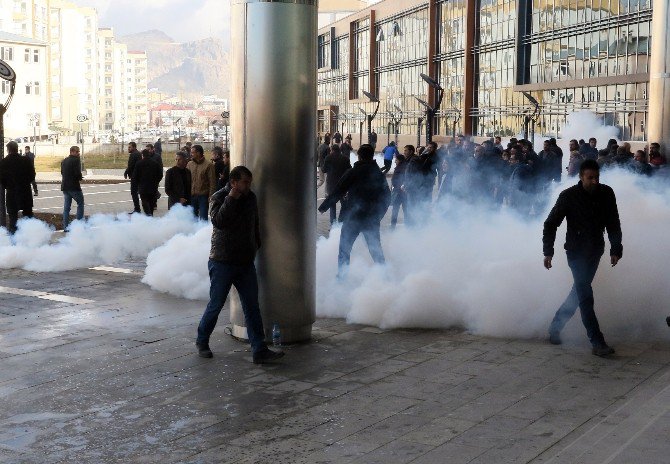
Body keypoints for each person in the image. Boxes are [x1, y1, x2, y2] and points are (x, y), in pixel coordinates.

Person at [196, 166, 284, 364]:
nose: (248, 186)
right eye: (244, 182)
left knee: (252, 306)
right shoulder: (219, 197)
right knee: (216, 304)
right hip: (222, 261)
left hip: (244, 262)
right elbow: (219, 221)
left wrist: (256, 245)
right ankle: (202, 341)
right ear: (233, 182)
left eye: (249, 182)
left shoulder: (251, 198)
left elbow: (254, 224)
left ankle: (259, 349)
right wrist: (232, 198)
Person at [543, 159, 622, 357]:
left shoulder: (606, 193)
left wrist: (616, 248)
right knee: (585, 295)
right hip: (575, 252)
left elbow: (613, 222)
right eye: (590, 178)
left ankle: (555, 326)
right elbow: (550, 223)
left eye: (597, 177)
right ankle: (597, 342)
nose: (595, 181)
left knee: (578, 292)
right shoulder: (568, 196)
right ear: (581, 177)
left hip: (595, 250)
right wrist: (548, 251)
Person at [318, 144, 390, 277]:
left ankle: (342, 279)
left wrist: (324, 207)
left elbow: (339, 190)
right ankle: (385, 276)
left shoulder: (354, 171)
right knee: (376, 250)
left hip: (353, 218)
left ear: (359, 156)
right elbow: (387, 197)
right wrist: (378, 215)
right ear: (372, 155)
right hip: (371, 219)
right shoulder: (378, 174)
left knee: (344, 250)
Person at [0, 141, 35, 233]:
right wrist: (25, 182)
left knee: (13, 218)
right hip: (25, 191)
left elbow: (2, 179)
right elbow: (32, 175)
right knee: (28, 216)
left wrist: (7, 186)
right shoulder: (26, 160)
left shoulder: (4, 162)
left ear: (8, 150)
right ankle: (31, 236)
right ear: (17, 148)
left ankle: (14, 239)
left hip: (12, 192)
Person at [322, 143, 352, 224]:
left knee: (332, 205)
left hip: (331, 185)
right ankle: (341, 221)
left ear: (332, 150)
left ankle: (333, 224)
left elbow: (324, 170)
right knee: (344, 204)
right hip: (343, 185)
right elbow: (350, 169)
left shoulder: (328, 157)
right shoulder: (345, 158)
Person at [187, 144, 217, 220]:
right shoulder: (190, 164)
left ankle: (202, 231)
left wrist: (211, 196)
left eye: (193, 152)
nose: (191, 154)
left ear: (198, 153)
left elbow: (212, 182)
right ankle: (194, 232)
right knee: (192, 218)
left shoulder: (209, 165)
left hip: (203, 196)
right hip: (192, 195)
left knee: (203, 218)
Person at [61, 146, 85, 230]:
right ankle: (79, 225)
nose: (78, 153)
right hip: (74, 187)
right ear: (72, 152)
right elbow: (77, 173)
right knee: (80, 203)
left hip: (65, 187)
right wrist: (80, 178)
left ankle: (65, 227)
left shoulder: (64, 160)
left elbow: (62, 172)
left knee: (66, 208)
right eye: (77, 152)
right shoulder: (76, 160)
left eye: (79, 151)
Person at [132, 149, 162, 216]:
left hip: (143, 187)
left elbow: (135, 176)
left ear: (142, 155)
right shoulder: (155, 163)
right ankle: (150, 214)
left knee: (144, 202)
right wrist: (156, 182)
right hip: (153, 187)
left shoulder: (139, 163)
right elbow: (160, 175)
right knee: (151, 203)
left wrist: (138, 183)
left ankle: (148, 215)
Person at [390, 152, 409, 228]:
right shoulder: (401, 166)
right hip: (400, 191)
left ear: (400, 160)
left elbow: (404, 179)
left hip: (400, 192)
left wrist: (398, 186)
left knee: (396, 209)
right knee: (404, 209)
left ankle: (393, 226)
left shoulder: (402, 167)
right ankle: (407, 226)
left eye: (396, 160)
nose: (395, 161)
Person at [124, 142, 142, 214]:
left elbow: (131, 165)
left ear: (134, 147)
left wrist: (126, 172)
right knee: (138, 191)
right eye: (128, 147)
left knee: (134, 192)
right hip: (137, 176)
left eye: (130, 147)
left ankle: (137, 209)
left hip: (135, 177)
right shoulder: (137, 153)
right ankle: (137, 209)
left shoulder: (134, 154)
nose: (128, 149)